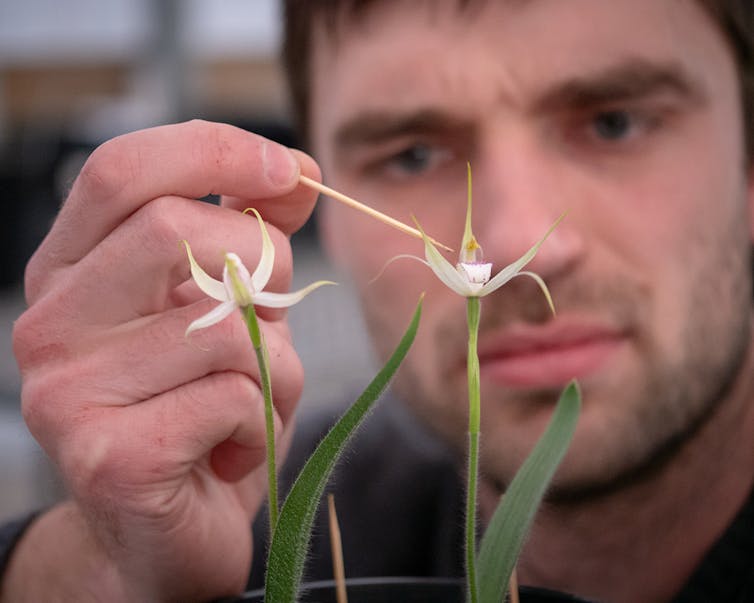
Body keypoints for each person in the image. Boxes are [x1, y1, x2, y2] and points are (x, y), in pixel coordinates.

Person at [2, 0, 753, 601]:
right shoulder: (269, 500)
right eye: (412, 154)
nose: (518, 242)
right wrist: (106, 569)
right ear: (319, 202)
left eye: (613, 121)